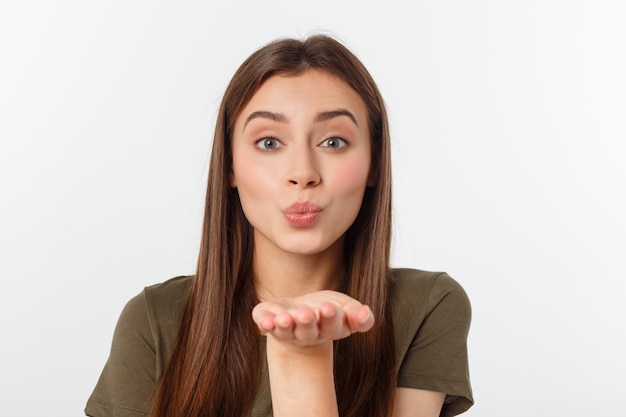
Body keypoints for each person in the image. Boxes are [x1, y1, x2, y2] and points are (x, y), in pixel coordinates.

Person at [85, 34, 473, 417]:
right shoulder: (155, 320)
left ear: (373, 163)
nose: (302, 174)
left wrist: (303, 358)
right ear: (230, 166)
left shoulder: (426, 306)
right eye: (269, 143)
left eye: (333, 142)